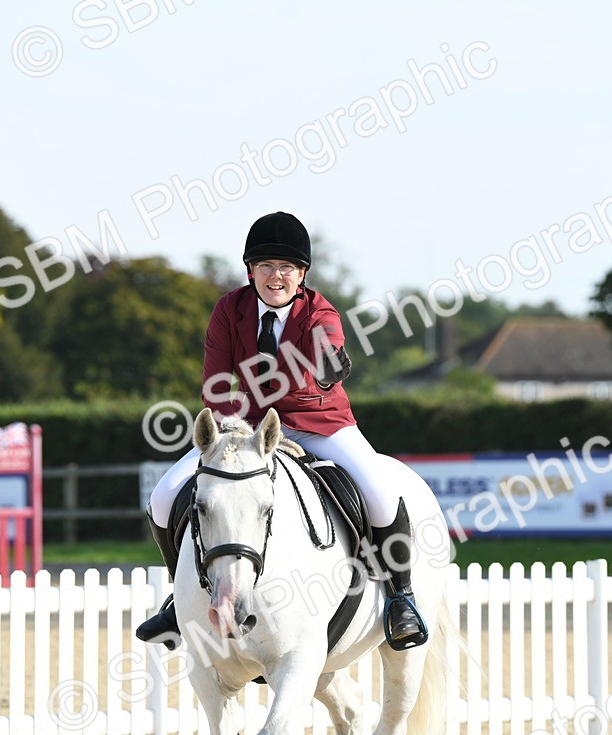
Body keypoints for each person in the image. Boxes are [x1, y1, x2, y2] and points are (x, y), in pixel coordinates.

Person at [134, 211, 427, 649]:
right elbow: (217, 386)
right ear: (250, 270)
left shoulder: (319, 312)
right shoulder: (228, 310)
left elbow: (329, 347)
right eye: (266, 266)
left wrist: (329, 365)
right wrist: (232, 434)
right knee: (163, 497)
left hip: (318, 424)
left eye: (287, 267)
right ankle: (181, 600)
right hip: (247, 429)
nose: (276, 276)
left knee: (381, 495)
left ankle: (401, 597)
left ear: (302, 274)